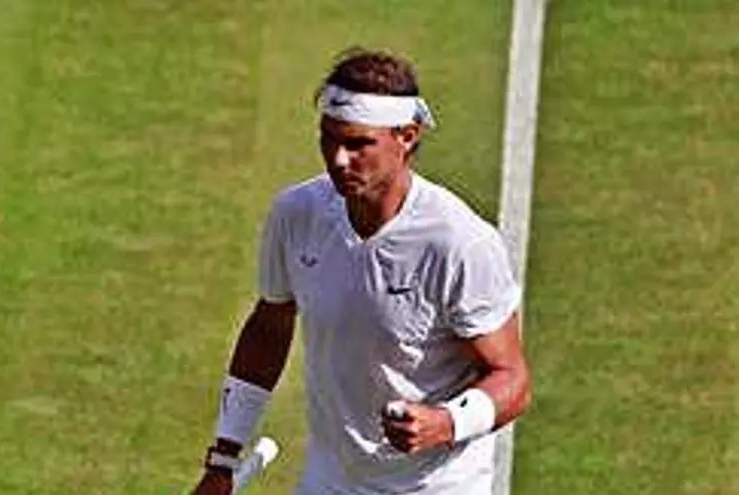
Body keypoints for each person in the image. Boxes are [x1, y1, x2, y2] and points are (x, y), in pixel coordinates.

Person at [192, 48, 532, 495]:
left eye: (357, 144)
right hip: (333, 479)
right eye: (328, 139)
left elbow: (513, 380)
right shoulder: (296, 215)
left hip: (437, 486)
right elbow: (269, 328)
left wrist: (447, 422)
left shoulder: (459, 243)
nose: (337, 159)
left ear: (407, 136)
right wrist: (223, 457)